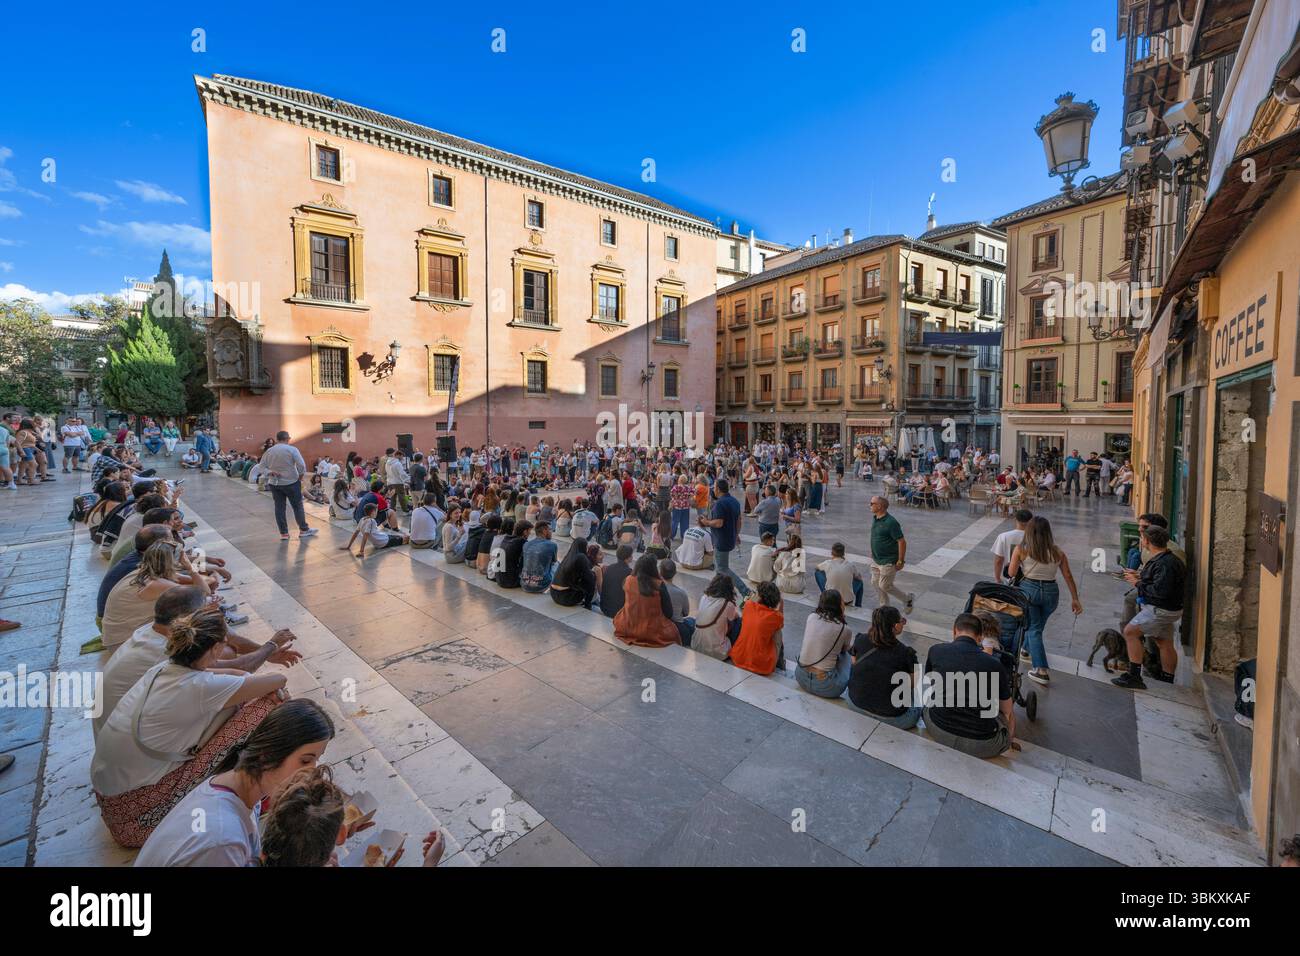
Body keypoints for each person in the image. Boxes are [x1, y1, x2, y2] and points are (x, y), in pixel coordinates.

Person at [91, 605, 287, 847]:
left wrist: (242, 680)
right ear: (216, 648)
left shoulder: (163, 669)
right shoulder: (199, 688)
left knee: (238, 699)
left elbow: (233, 673)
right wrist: (248, 681)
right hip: (139, 819)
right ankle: (255, 785)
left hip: (114, 806)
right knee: (267, 702)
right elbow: (278, 680)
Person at [134, 699, 336, 867]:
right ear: (268, 755)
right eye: (305, 760)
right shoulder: (221, 841)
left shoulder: (237, 786)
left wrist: (317, 838)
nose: (313, 772)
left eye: (316, 759)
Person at [922, 613, 1014, 759]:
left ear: (954, 631)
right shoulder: (994, 664)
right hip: (983, 744)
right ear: (980, 638)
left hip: (937, 728)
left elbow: (928, 685)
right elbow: (1006, 710)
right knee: (1009, 711)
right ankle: (1009, 742)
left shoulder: (936, 650)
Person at [1008, 516, 1082, 685]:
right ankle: (1026, 649)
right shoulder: (1058, 552)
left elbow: (1011, 573)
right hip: (1051, 593)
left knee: (1034, 629)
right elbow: (1068, 576)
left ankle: (1041, 670)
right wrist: (1075, 599)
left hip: (1029, 591)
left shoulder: (1021, 549)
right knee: (1037, 626)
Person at [101, 540, 214, 648]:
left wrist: (207, 578)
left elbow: (199, 582)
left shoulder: (145, 571)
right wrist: (190, 567)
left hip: (117, 636)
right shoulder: (157, 584)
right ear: (173, 562)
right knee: (200, 614)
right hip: (121, 641)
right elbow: (204, 593)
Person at [1112, 525, 1185, 690]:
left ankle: (1134, 675)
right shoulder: (1167, 559)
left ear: (1147, 541)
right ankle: (1168, 680)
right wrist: (1139, 577)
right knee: (1164, 642)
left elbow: (1160, 591)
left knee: (1130, 632)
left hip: (1160, 609)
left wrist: (1137, 583)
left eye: (1143, 537)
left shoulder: (1165, 563)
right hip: (1170, 609)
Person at [848, 605, 921, 728]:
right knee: (917, 699)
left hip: (856, 704)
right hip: (896, 717)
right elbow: (913, 684)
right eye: (901, 621)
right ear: (896, 626)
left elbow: (854, 664)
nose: (903, 623)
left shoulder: (860, 639)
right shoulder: (906, 653)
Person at [614, 555, 687, 648]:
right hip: (652, 630)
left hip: (628, 624)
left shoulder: (628, 580)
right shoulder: (659, 585)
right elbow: (669, 613)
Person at [260, 431, 318, 540]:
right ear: (288, 438)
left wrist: (270, 472)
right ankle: (303, 530)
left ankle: (284, 533)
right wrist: (300, 478)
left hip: (274, 483)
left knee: (279, 508)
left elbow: (261, 467)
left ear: (277, 439)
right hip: (291, 482)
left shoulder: (269, 451)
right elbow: (302, 466)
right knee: (297, 506)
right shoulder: (292, 449)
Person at [795, 589, 853, 698]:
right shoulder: (844, 629)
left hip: (800, 677)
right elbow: (844, 650)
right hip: (827, 687)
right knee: (846, 655)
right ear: (839, 605)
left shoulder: (811, 617)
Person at [698, 478, 748, 597]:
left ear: (718, 489)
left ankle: (745, 591)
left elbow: (719, 523)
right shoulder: (734, 501)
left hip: (721, 540)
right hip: (730, 538)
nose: (713, 489)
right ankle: (716, 590)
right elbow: (739, 521)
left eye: (714, 487)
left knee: (723, 568)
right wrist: (736, 535)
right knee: (720, 567)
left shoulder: (720, 503)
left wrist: (706, 522)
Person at [867, 496, 913, 613]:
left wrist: (901, 561)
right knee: (875, 582)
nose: (869, 505)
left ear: (880, 506)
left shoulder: (891, 522)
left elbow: (901, 541)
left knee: (885, 585)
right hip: (876, 559)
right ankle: (884, 607)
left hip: (888, 559)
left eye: (872, 503)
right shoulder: (875, 518)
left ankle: (907, 599)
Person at [729, 581, 785, 676]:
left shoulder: (748, 606)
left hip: (738, 658)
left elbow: (750, 601)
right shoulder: (776, 617)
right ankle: (779, 663)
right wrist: (781, 603)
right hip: (762, 666)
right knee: (778, 632)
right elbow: (780, 620)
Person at [691, 573, 741, 660]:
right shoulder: (727, 604)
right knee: (739, 621)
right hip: (717, 652)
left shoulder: (704, 597)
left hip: (697, 645)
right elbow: (734, 617)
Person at [342, 502, 409, 557]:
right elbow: (365, 536)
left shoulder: (362, 520)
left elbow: (355, 533)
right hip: (384, 542)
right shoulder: (371, 521)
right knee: (406, 538)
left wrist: (349, 546)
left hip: (383, 539)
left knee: (400, 536)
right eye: (376, 511)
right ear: (373, 512)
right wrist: (361, 551)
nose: (377, 513)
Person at [550, 537, 597, 610]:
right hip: (567, 598)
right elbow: (589, 578)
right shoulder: (581, 556)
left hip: (553, 594)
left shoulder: (568, 556)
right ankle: (588, 604)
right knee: (592, 576)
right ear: (584, 547)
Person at [815, 542, 864, 607]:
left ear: (832, 553)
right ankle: (858, 605)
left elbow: (817, 567)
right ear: (843, 553)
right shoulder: (850, 564)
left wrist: (827, 574)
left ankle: (825, 594)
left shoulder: (828, 563)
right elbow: (858, 578)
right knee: (860, 582)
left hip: (831, 599)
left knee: (818, 573)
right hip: (847, 600)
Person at [991, 508, 1032, 583]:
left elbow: (998, 560)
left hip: (1012, 577)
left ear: (1015, 520)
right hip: (1032, 578)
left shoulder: (1004, 536)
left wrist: (997, 579)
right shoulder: (1036, 538)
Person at [599, 544, 635, 618]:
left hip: (604, 607)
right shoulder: (629, 572)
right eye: (631, 555)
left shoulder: (609, 568)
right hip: (619, 611)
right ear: (627, 558)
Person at [521, 521, 559, 592]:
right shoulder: (552, 545)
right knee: (558, 564)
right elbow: (554, 562)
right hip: (541, 586)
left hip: (524, 584)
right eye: (550, 529)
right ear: (544, 531)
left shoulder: (526, 544)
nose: (551, 532)